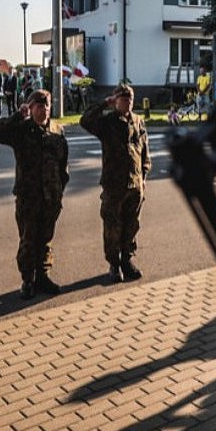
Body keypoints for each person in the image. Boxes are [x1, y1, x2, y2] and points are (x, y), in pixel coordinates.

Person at [0, 90, 70, 299]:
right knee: (28, 240)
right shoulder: (22, 130)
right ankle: (28, 280)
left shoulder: (57, 131)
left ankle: (43, 275)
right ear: (31, 108)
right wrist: (18, 115)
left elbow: (63, 166)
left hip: (50, 197)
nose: (43, 110)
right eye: (38, 106)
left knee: (45, 239)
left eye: (46, 106)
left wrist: (59, 191)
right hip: (29, 198)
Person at [80, 85, 151, 283]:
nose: (127, 102)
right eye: (122, 98)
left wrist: (143, 178)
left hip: (135, 184)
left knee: (131, 225)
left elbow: (145, 152)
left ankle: (127, 261)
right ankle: (114, 263)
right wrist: (104, 103)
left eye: (130, 98)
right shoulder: (107, 122)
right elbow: (85, 121)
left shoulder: (137, 121)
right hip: (114, 185)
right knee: (112, 226)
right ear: (116, 100)